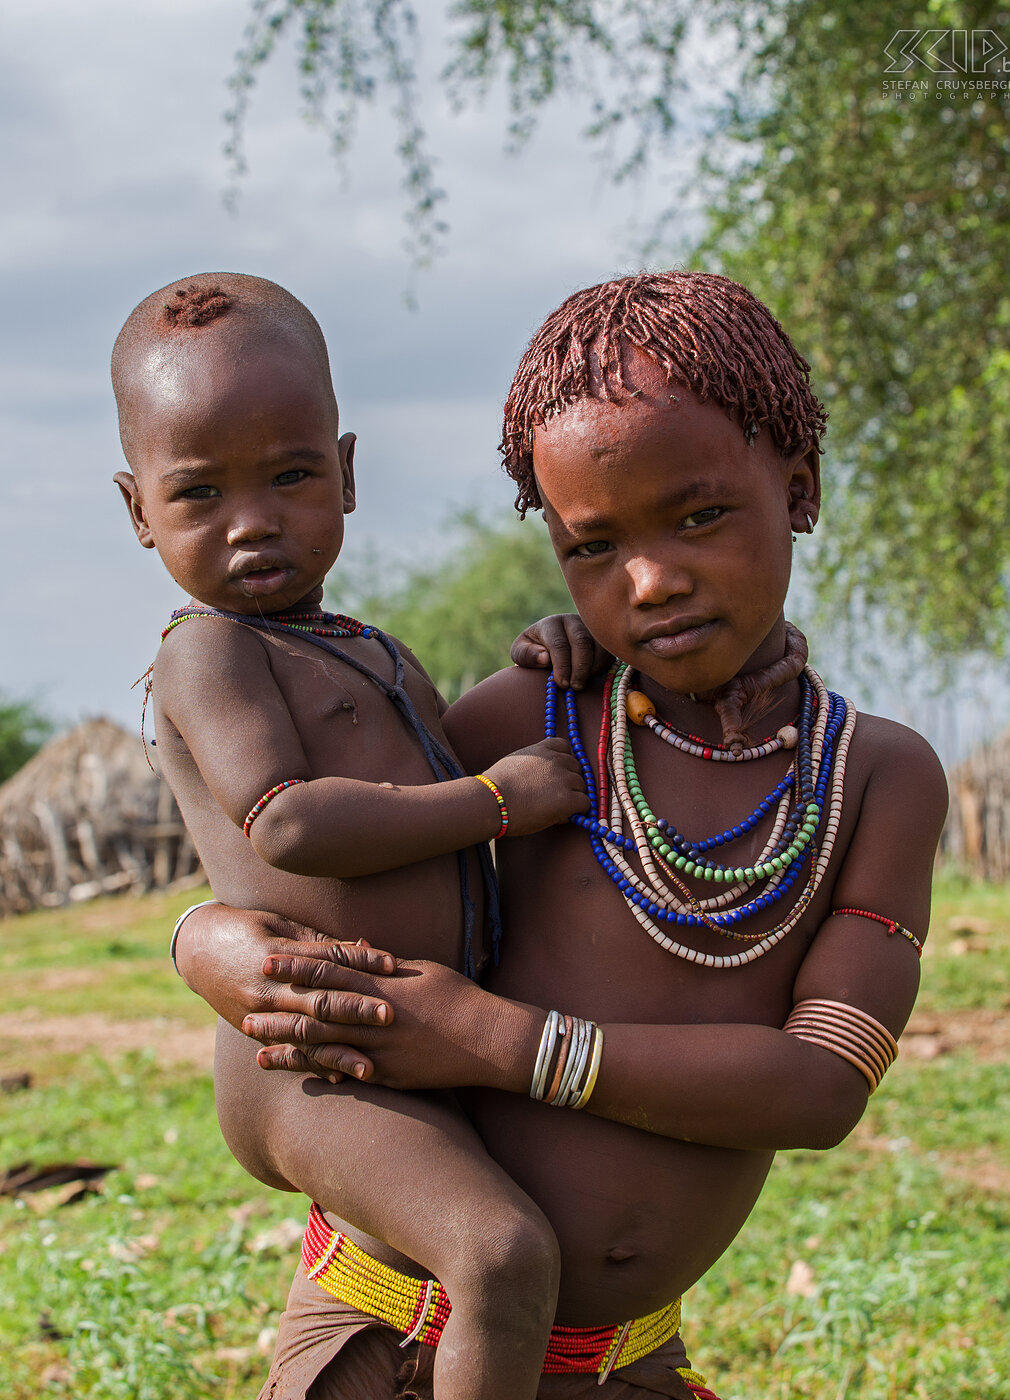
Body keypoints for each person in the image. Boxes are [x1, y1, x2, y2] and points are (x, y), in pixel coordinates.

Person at [173, 271, 948, 1400]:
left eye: (699, 516)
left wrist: (495, 1038)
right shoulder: (521, 730)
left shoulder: (873, 777)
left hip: (625, 1364)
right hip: (383, 1336)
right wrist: (207, 938)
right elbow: (315, 863)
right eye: (593, 547)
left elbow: (822, 1083)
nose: (652, 578)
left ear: (799, 486)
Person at [111, 271, 598, 1400]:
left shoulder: (369, 646)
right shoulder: (208, 652)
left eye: (289, 475)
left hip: (415, 1039)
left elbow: (445, 751)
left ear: (345, 472)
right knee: (499, 1251)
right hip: (312, 1063)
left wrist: (546, 655)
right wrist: (500, 800)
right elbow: (286, 818)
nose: (252, 520)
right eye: (199, 493)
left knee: (501, 1237)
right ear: (140, 511)